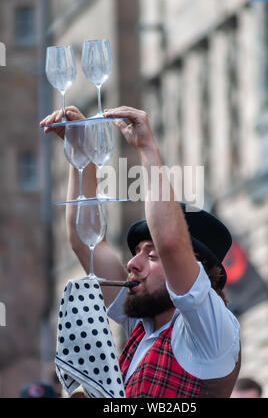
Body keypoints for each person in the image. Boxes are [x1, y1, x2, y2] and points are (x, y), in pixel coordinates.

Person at [40, 105, 241, 398]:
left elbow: (171, 243)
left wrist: (146, 148)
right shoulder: (143, 322)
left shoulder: (211, 332)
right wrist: (81, 154)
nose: (132, 263)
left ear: (191, 267)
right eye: (137, 252)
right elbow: (86, 243)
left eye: (150, 255)